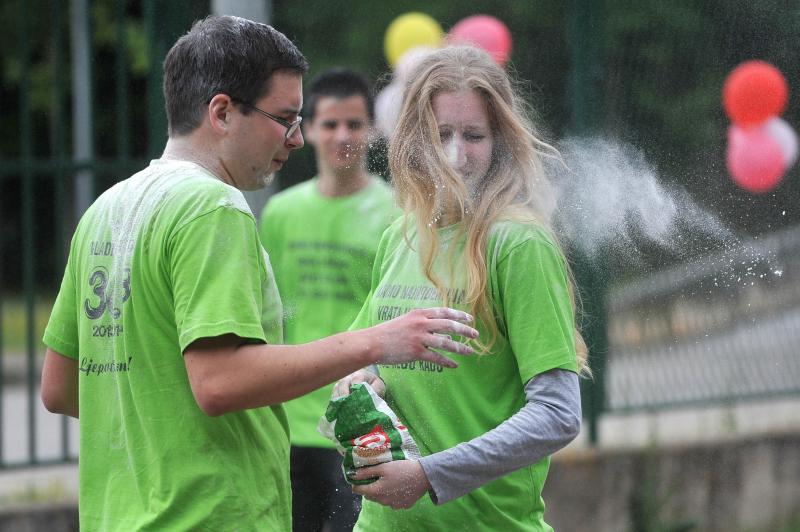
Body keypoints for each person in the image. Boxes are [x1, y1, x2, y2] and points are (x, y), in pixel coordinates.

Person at [39, 16, 478, 531]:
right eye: (285, 118)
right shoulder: (212, 208)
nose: (296, 139)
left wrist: (160, 418)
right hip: (207, 517)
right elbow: (220, 382)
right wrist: (375, 341)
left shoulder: (105, 210)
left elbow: (59, 388)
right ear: (223, 112)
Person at [333, 45, 590, 531]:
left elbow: (558, 413)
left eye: (474, 135)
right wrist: (359, 380)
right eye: (441, 134)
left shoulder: (518, 243)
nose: (456, 155)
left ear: (500, 141)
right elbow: (362, 355)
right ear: (416, 138)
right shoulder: (401, 234)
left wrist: (430, 475)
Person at [258, 68, 397, 531]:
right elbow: (268, 315)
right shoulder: (280, 213)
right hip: (290, 419)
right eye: (330, 124)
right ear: (309, 130)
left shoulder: (395, 213)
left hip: (360, 416)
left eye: (354, 124)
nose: (343, 136)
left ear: (372, 130)